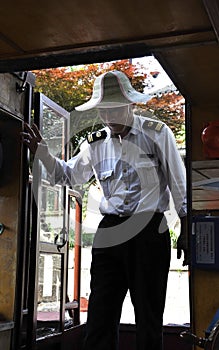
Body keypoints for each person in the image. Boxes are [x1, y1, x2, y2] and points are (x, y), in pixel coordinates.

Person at [21, 70, 188, 350]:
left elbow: (179, 184)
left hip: (148, 231)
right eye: (104, 109)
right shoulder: (95, 144)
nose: (109, 116)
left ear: (131, 105)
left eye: (115, 108)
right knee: (100, 314)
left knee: (149, 317)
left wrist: (185, 226)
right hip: (110, 232)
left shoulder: (157, 135)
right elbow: (68, 176)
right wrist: (42, 153)